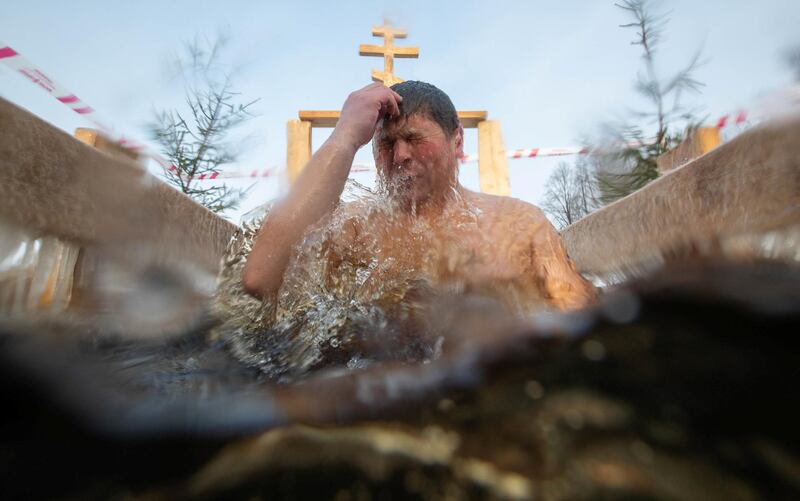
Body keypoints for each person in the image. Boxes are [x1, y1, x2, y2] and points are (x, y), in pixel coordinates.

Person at [241, 81, 596, 312]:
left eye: (414, 139)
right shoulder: (355, 229)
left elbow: (577, 314)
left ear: (457, 140)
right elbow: (262, 279)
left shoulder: (520, 224)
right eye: (385, 144)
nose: (399, 156)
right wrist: (346, 135)